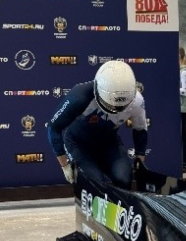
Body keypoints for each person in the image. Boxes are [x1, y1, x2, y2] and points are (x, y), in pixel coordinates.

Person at [47, 60, 148, 189]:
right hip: (78, 143)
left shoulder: (137, 101)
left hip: (109, 143)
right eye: (111, 105)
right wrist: (64, 166)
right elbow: (54, 128)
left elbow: (140, 130)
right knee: (96, 184)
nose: (115, 109)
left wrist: (140, 160)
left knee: (124, 179)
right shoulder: (80, 96)